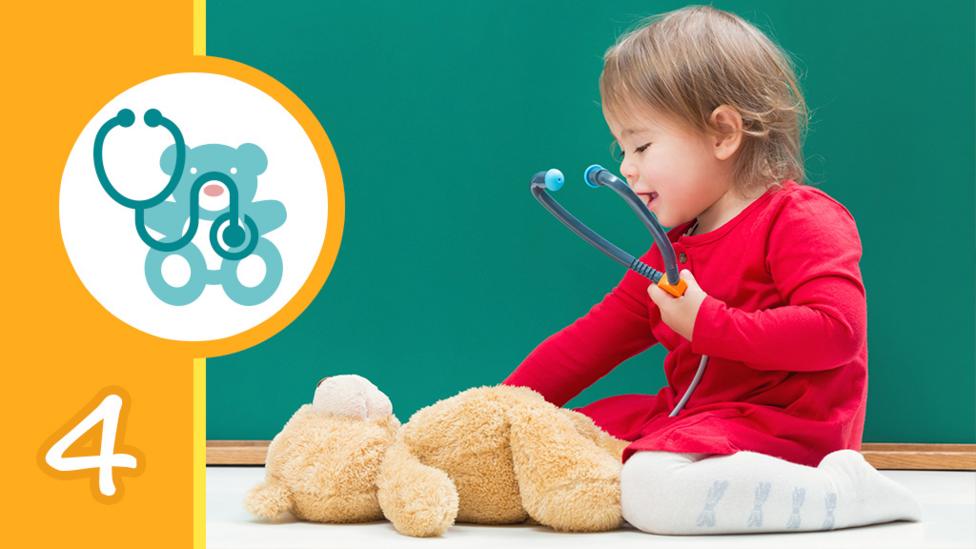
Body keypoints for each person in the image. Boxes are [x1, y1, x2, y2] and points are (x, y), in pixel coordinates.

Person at [502, 5, 922, 535]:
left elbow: (836, 332)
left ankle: (840, 491)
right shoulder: (672, 249)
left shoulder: (801, 218)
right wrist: (498, 411)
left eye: (642, 145)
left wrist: (709, 323)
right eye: (621, 148)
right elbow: (587, 344)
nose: (626, 167)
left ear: (723, 133)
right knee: (565, 431)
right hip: (703, 423)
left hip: (787, 435)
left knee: (652, 486)